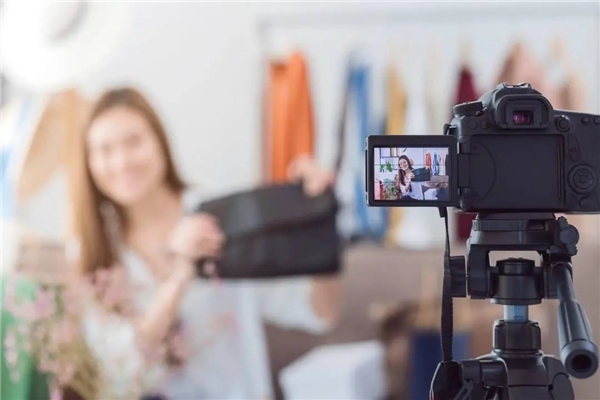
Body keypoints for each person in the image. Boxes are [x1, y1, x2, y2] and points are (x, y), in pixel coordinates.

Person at [67, 87, 342, 399]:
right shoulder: (93, 251)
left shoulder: (221, 219)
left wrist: (319, 220)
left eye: (133, 142)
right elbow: (120, 372)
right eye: (104, 150)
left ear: (160, 141)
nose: (122, 162)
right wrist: (180, 275)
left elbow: (320, 313)